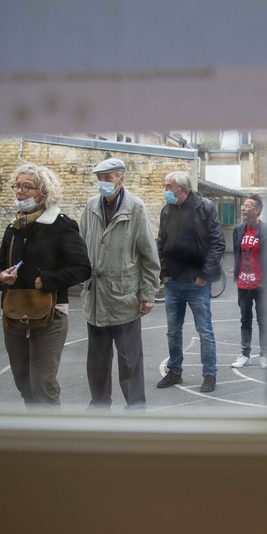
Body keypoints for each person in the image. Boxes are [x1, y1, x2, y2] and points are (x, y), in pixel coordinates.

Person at [0, 163, 91, 407]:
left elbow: (83, 268)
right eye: (17, 186)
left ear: (44, 193)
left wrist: (47, 280)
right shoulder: (13, 228)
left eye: (27, 187)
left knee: (43, 382)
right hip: (14, 313)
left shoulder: (61, 225)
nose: (20, 192)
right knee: (23, 381)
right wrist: (0, 278)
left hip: (51, 314)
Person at [79, 158, 159, 410]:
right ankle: (99, 405)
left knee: (130, 360)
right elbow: (81, 246)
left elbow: (148, 255)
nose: (102, 184)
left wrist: (147, 294)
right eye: (99, 179)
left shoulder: (135, 208)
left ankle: (136, 406)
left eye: (107, 178)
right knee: (97, 360)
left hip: (124, 297)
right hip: (95, 298)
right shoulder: (91, 207)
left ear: (121, 179)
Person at [155, 170, 225, 393]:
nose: (165, 190)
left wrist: (204, 275)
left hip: (197, 283)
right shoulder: (167, 210)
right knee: (173, 331)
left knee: (205, 331)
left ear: (181, 189)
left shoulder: (204, 207)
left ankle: (209, 374)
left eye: (168, 187)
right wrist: (164, 274)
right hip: (173, 282)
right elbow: (161, 243)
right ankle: (174, 372)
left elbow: (217, 243)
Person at [231, 193, 267, 368]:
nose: (243, 209)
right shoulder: (239, 229)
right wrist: (237, 276)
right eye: (243, 206)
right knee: (245, 320)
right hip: (243, 284)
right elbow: (237, 254)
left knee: (263, 320)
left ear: (257, 210)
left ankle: (265, 354)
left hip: (261, 285)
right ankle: (245, 354)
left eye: (247, 206)